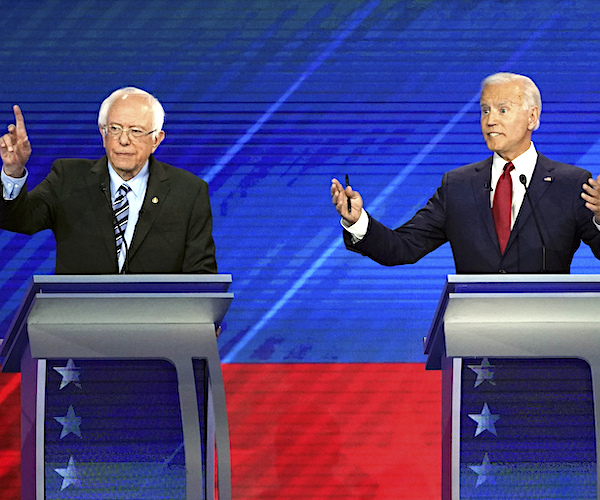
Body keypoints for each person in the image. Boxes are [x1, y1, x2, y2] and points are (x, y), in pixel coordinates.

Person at [331, 72, 600, 274]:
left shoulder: (571, 183)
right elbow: (402, 248)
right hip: (476, 337)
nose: (490, 120)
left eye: (502, 110)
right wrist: (358, 222)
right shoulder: (458, 186)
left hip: (549, 335)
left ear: (532, 117)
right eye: (485, 110)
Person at [0, 87, 217, 274]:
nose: (123, 140)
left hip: (157, 319)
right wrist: (13, 171)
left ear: (156, 140)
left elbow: (201, 274)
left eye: (135, 131)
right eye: (115, 129)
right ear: (103, 135)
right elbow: (19, 220)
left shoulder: (188, 192)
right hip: (82, 317)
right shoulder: (68, 178)